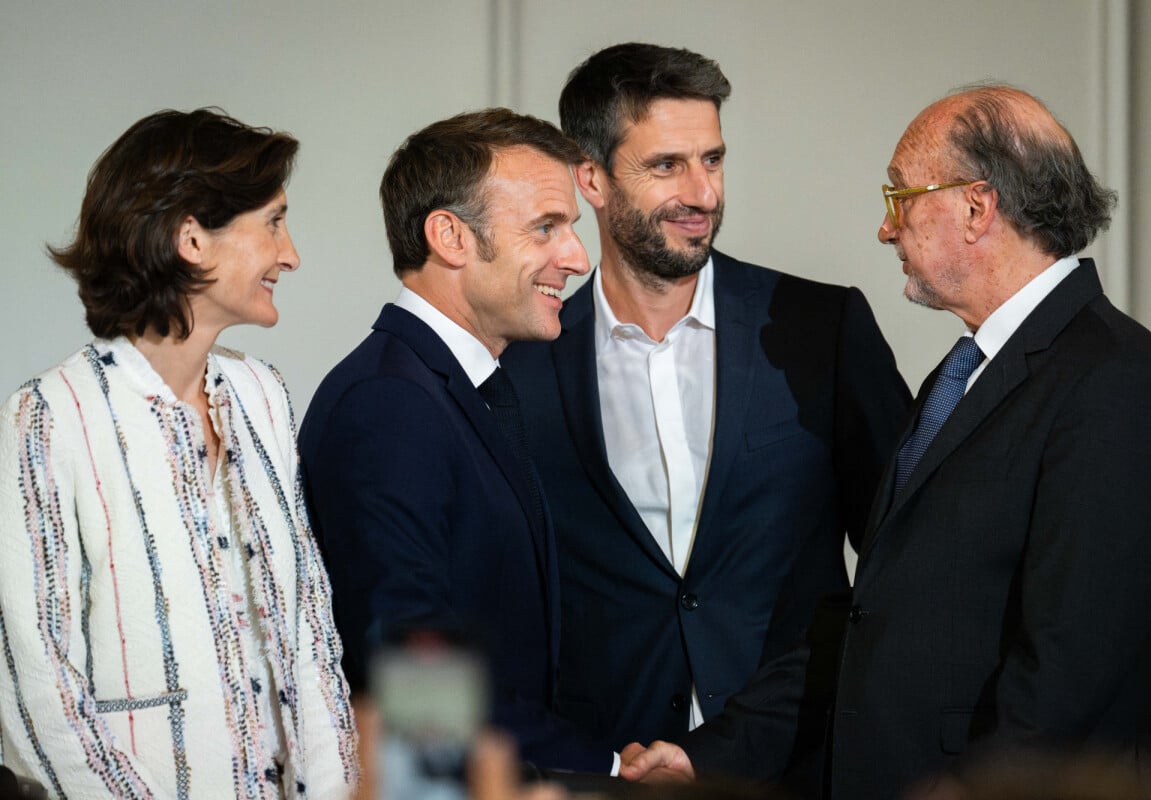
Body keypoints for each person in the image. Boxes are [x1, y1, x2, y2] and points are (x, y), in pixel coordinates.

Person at [622, 84, 1151, 799]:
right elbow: (873, 620)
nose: (885, 230)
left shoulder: (1113, 379)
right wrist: (714, 755)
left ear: (976, 207)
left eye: (900, 198)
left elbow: (1071, 669)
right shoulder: (959, 379)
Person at [500, 41, 911, 781]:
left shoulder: (822, 329)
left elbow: (904, 563)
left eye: (713, 160)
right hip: (602, 770)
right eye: (667, 166)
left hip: (795, 764)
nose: (703, 193)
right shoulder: (519, 364)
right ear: (590, 178)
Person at [0, 109, 358, 798]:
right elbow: (36, 686)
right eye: (274, 222)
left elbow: (311, 628)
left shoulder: (262, 396)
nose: (291, 254)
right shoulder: (47, 418)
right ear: (192, 236)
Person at [299, 109, 613, 773]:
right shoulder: (390, 405)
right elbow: (417, 683)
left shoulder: (455, 390)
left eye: (572, 231)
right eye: (546, 228)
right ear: (449, 236)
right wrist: (601, 773)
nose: (579, 259)